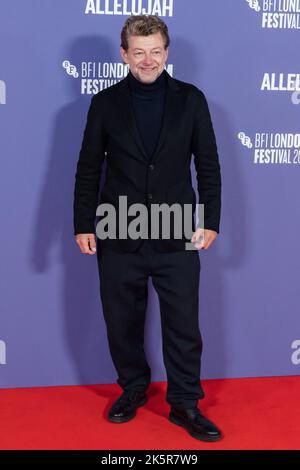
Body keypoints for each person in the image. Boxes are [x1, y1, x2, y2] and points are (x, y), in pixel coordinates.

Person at [73, 15, 222, 442]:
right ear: (124, 55)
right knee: (121, 321)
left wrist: (210, 219)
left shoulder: (192, 100)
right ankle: (133, 389)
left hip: (176, 232)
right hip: (118, 229)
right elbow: (88, 169)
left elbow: (208, 165)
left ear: (166, 53)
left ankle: (185, 404)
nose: (148, 60)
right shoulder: (104, 103)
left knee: (183, 324)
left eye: (155, 51)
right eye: (138, 52)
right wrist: (84, 223)